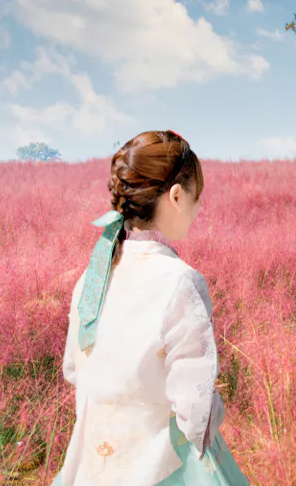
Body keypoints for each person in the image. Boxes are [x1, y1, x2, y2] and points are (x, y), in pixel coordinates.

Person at [52, 130, 248, 485]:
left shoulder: (92, 277)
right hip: (161, 466)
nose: (199, 207)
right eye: (196, 196)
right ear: (176, 196)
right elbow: (195, 407)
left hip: (92, 466)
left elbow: (73, 369)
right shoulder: (181, 281)